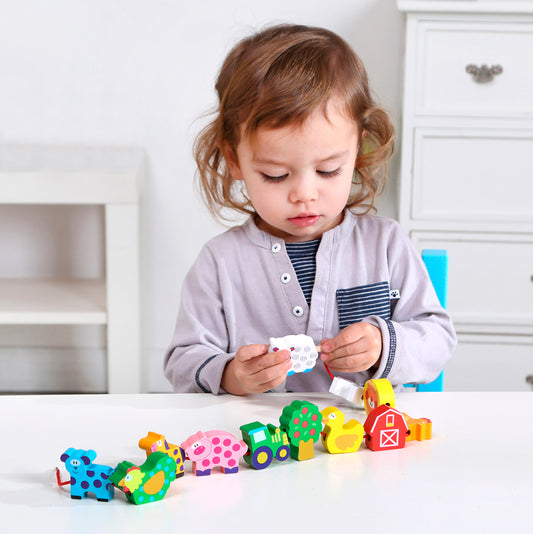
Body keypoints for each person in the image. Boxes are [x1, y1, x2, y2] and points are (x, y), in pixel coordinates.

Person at [164, 23, 456, 395]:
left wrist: (384, 344)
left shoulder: (384, 244)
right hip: (265, 447)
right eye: (275, 175)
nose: (304, 194)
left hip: (368, 442)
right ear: (234, 158)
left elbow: (438, 339)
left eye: (327, 170)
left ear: (358, 150)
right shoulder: (219, 263)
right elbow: (183, 361)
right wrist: (230, 375)